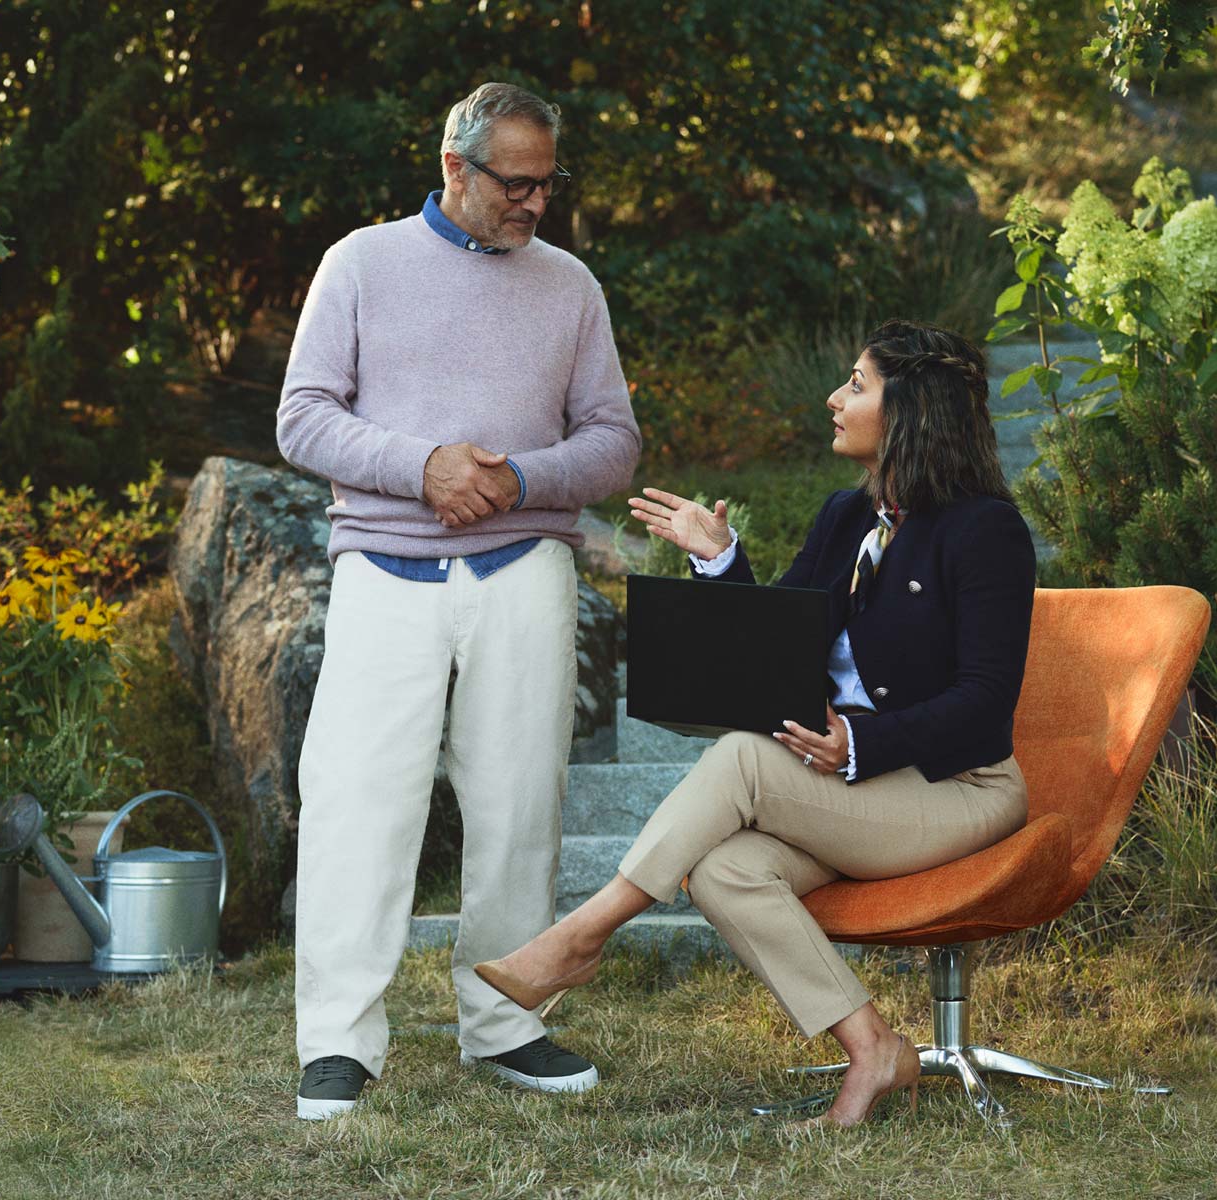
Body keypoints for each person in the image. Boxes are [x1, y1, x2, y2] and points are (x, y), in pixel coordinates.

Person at [475, 319, 1034, 1127]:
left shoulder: (986, 531)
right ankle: (873, 1048)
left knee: (742, 759)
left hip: (959, 789)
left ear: (911, 409)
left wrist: (861, 742)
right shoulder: (847, 516)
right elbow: (781, 647)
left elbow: (987, 697)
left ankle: (582, 936)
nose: (834, 399)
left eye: (857, 384)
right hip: (862, 790)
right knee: (727, 871)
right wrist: (719, 558)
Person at [275, 81, 641, 1121]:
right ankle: (337, 1044)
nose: (533, 203)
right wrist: (421, 465)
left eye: (545, 184)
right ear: (453, 168)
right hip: (384, 573)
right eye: (513, 183)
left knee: (519, 804)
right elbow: (302, 420)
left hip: (521, 569)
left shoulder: (569, 286)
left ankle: (506, 1023)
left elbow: (612, 441)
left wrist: (516, 481)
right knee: (357, 805)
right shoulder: (359, 262)